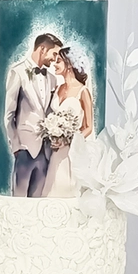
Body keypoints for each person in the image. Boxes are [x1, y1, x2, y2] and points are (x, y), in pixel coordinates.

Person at [4, 32, 63, 197]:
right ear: (42, 49)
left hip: (45, 151)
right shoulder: (17, 72)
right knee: (19, 201)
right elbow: (9, 114)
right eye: (54, 54)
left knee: (37, 202)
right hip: (24, 149)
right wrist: (16, 146)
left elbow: (50, 112)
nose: (55, 59)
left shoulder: (52, 79)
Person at [41, 46, 94, 198]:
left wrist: (69, 140)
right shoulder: (58, 89)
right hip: (55, 150)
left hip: (71, 151)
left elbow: (88, 126)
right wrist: (53, 133)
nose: (54, 64)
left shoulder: (83, 91)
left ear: (69, 64)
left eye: (58, 61)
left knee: (68, 188)